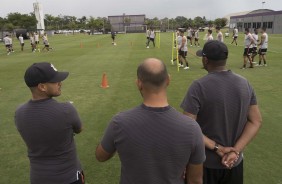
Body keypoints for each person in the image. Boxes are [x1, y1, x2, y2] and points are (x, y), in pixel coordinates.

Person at [96, 58, 206, 184]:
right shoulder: (192, 128)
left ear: (139, 83)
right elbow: (195, 180)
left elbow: (101, 156)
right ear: (168, 80)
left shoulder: (119, 123)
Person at [181, 40, 262, 184]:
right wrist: (235, 150)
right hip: (234, 163)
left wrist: (218, 148)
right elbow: (256, 121)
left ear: (205, 60)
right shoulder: (245, 83)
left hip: (204, 165)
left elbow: (187, 127)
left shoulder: (198, 86)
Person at [15, 62, 85, 184]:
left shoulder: (19, 112)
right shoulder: (67, 109)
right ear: (42, 87)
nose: (60, 83)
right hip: (69, 177)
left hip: (38, 178)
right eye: (55, 81)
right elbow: (79, 129)